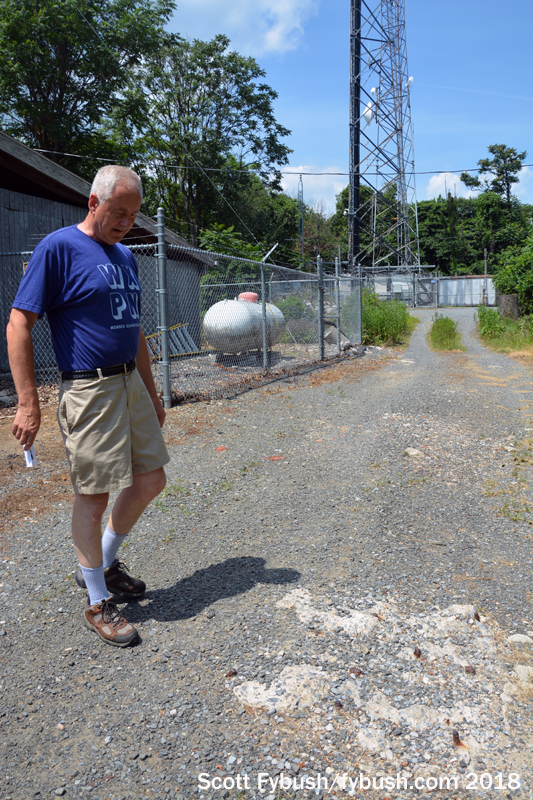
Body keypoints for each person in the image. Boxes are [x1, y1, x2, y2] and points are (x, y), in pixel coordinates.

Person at [6, 165, 169, 647]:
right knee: (94, 496)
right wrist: (28, 402)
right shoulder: (58, 248)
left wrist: (152, 392)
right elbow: (19, 324)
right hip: (89, 390)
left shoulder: (125, 256)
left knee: (151, 480)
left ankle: (103, 562)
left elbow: (135, 330)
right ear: (93, 203)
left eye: (133, 215)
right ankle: (97, 601)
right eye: (118, 212)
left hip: (129, 384)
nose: (125, 223)